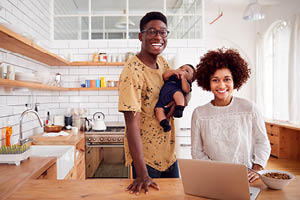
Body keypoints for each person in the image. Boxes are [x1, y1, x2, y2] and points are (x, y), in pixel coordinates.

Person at [118, 11, 179, 195]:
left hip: (169, 156)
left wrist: (180, 99)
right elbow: (132, 124)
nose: (158, 37)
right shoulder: (132, 72)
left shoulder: (162, 62)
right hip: (147, 162)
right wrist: (142, 173)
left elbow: (178, 91)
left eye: (163, 32)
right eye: (151, 31)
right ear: (141, 36)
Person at [191, 48, 271, 183]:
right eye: (215, 80)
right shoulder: (199, 114)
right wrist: (217, 172)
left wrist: (257, 169)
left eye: (227, 79)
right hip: (214, 178)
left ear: (235, 80)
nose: (221, 85)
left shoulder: (249, 108)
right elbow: (197, 151)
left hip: (247, 177)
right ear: (208, 83)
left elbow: (262, 142)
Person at [155, 64, 195, 132]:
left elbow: (186, 90)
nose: (182, 70)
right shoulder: (172, 76)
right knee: (158, 109)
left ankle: (179, 109)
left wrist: (183, 79)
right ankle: (164, 124)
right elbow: (164, 76)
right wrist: (173, 72)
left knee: (178, 94)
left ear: (190, 80)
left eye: (187, 71)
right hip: (162, 98)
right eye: (181, 68)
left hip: (174, 94)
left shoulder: (186, 83)